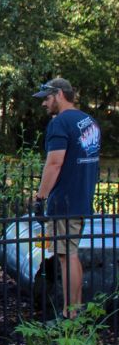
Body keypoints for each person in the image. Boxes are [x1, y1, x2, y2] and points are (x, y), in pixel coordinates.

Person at [32, 78, 101, 317]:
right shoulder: (88, 121)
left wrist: (40, 197)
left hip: (64, 200)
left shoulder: (60, 123)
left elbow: (54, 163)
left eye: (47, 98)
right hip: (82, 197)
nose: (44, 104)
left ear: (59, 94)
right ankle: (75, 308)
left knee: (65, 255)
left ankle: (70, 313)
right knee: (70, 253)